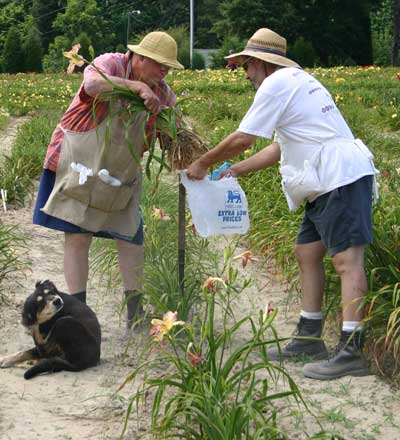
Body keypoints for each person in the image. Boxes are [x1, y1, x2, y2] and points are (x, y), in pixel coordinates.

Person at [186, 28, 379, 380]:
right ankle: (309, 336)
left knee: (347, 260)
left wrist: (203, 163)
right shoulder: (295, 82)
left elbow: (244, 137)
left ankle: (353, 350)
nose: (245, 74)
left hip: (340, 178)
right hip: (321, 181)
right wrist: (235, 171)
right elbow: (279, 146)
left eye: (246, 65)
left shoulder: (278, 83)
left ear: (262, 63)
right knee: (307, 253)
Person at [33, 32, 183, 328]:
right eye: (160, 66)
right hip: (77, 163)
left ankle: (136, 315)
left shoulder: (163, 94)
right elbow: (91, 84)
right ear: (140, 58)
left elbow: (173, 129)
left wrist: (186, 152)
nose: (164, 73)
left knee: (130, 237)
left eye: (168, 68)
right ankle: (80, 316)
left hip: (119, 174)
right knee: (77, 237)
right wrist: (136, 87)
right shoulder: (110, 64)